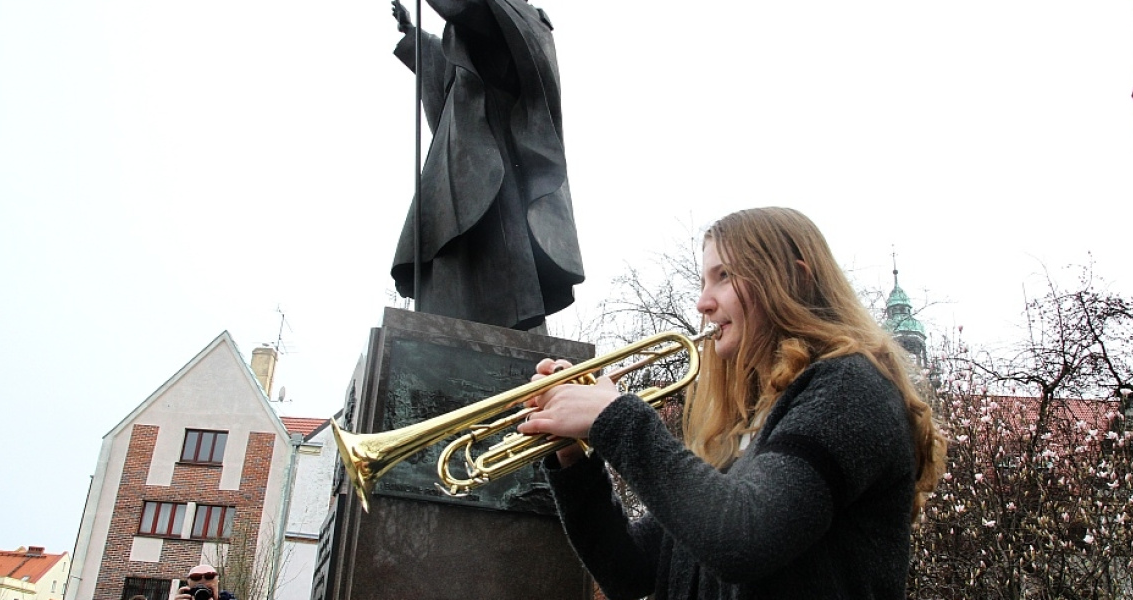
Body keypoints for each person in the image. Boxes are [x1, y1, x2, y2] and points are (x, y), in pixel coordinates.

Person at [518, 207, 947, 599]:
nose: (703, 303)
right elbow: (627, 570)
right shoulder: (748, 428)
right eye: (704, 282)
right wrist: (572, 455)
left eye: (724, 276)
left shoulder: (850, 390)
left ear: (795, 279)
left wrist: (614, 418)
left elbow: (746, 537)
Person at [388, 0, 585, 331]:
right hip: (456, 152)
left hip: (491, 154)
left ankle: (498, 327)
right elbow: (450, 62)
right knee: (447, 242)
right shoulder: (486, 20)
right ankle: (452, 328)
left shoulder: (514, 15)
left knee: (489, 240)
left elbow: (467, 10)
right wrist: (413, 35)